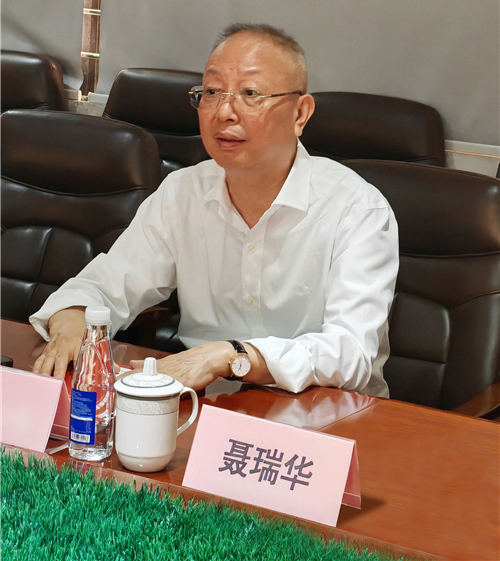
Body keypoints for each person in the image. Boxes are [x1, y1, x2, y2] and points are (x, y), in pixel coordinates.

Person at [30, 23, 399, 396]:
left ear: (300, 114)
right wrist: (74, 319)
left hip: (329, 412)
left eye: (250, 93)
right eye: (211, 92)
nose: (224, 112)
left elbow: (350, 353)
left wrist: (232, 356)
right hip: (206, 406)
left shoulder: (357, 209)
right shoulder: (183, 192)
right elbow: (109, 283)